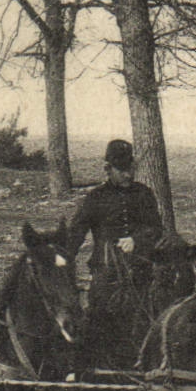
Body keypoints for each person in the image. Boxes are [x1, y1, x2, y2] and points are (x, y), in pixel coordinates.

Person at [66, 139, 163, 349]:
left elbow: (157, 228)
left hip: (140, 269)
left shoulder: (144, 194)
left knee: (149, 319)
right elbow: (76, 233)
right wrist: (61, 257)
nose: (128, 175)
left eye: (130, 168)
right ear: (108, 169)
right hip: (105, 271)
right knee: (97, 322)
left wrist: (137, 240)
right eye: (122, 170)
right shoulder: (95, 198)